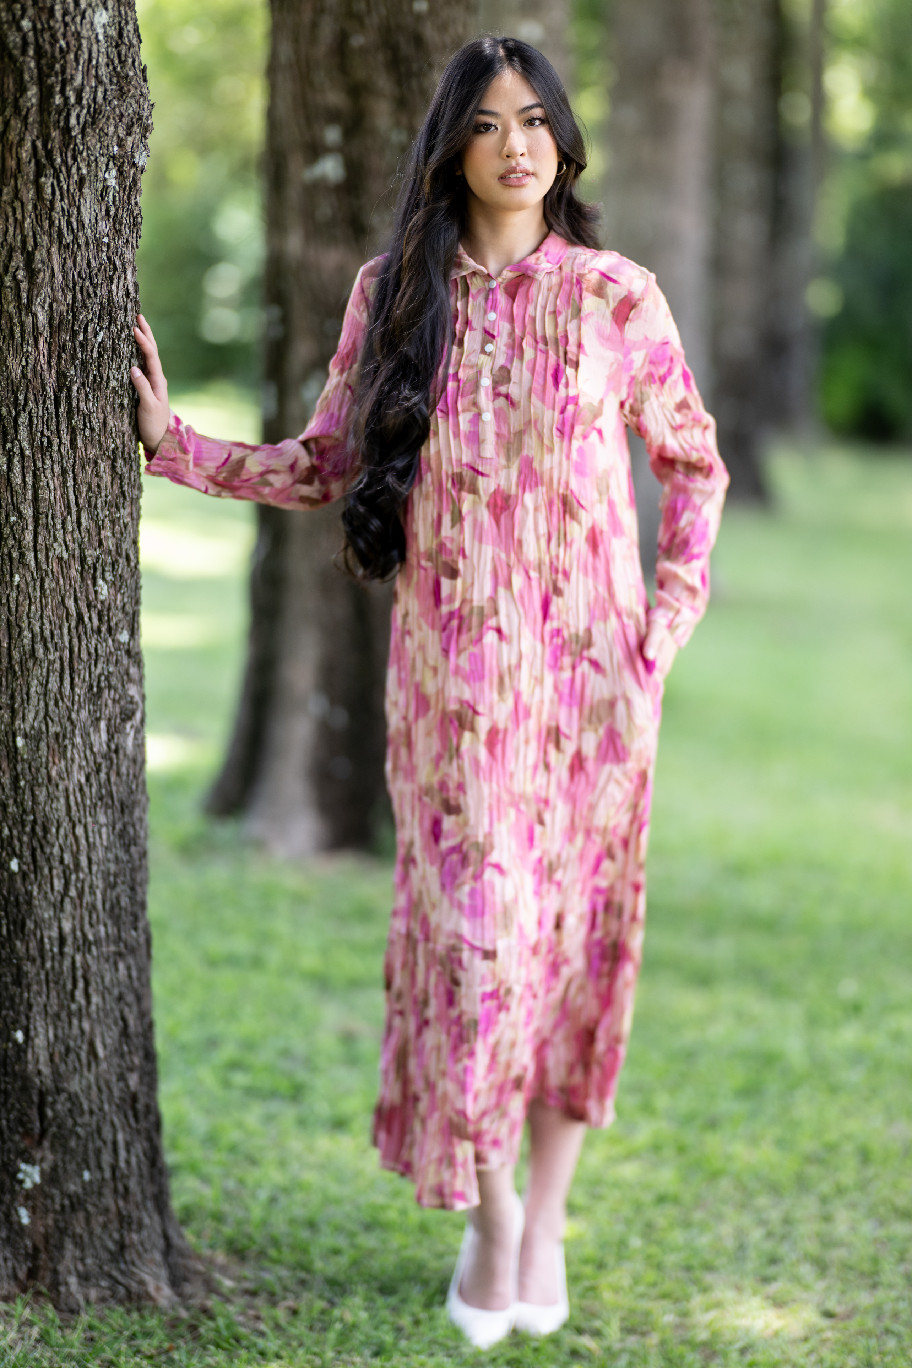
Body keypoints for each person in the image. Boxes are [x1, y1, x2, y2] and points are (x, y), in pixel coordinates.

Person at [130, 34, 729, 1349]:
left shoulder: (616, 296)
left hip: (596, 698)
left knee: (574, 959)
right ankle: (493, 1214)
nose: (518, 145)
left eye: (537, 120)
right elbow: (328, 461)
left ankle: (546, 1218)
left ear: (563, 140)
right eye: (490, 123)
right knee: (477, 951)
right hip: (452, 696)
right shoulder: (395, 293)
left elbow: (693, 465)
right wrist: (177, 447)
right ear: (452, 146)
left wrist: (665, 627)